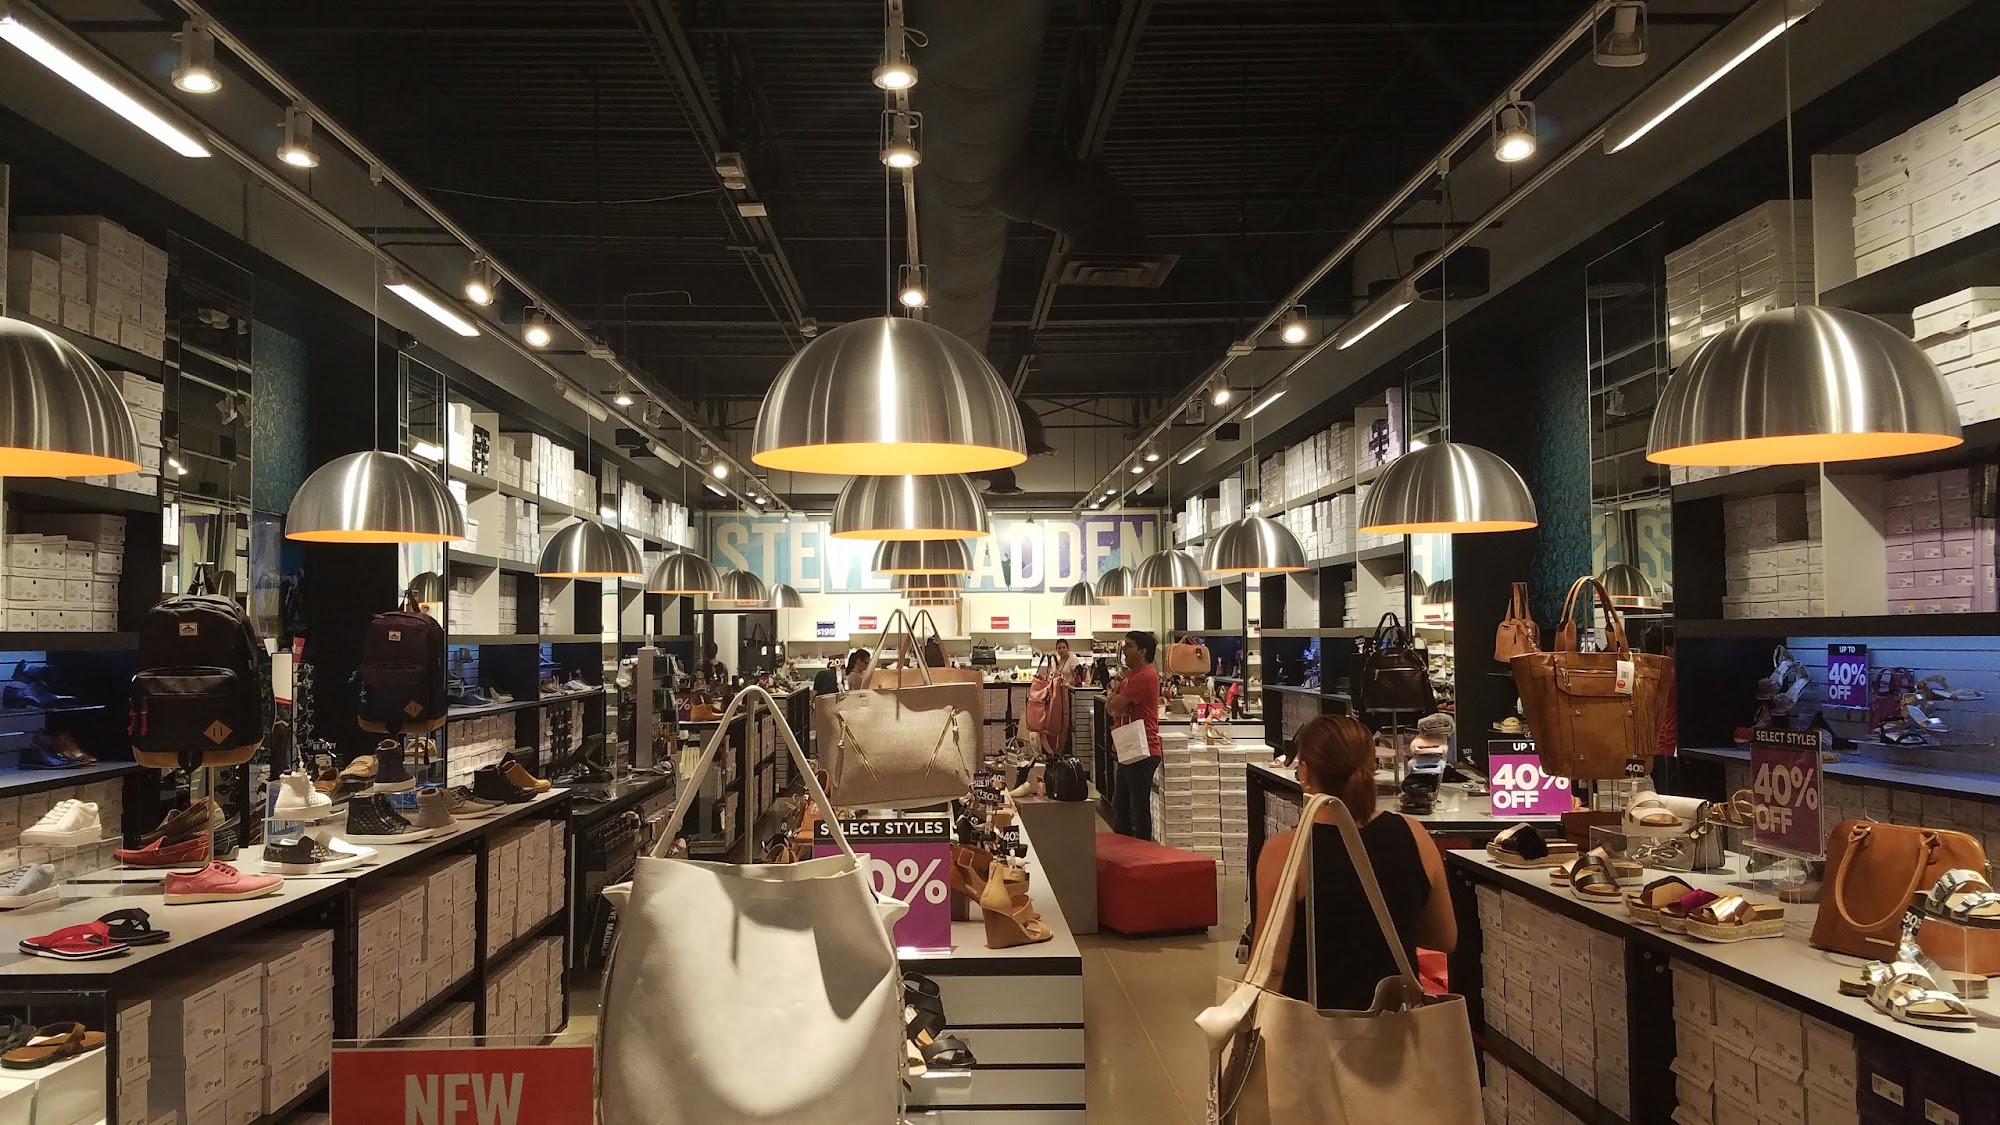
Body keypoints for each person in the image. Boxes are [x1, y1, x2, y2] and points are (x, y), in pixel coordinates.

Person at [1253, 714, 1455, 1010]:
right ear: (1373, 765)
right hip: (1395, 1026)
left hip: (1310, 1026)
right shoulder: (1414, 835)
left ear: (1304, 772)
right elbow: (1444, 938)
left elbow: (1271, 967)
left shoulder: (1285, 851)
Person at [1104, 630, 1162, 840]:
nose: (1124, 650)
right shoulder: (1130, 675)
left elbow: (1116, 703)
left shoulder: (1145, 676)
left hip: (1142, 748)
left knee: (1137, 808)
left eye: (1129, 645)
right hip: (1128, 747)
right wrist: (1116, 702)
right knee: (1121, 805)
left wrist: (1116, 701)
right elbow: (1111, 707)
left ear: (1142, 651)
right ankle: (1125, 849)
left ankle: (1141, 850)